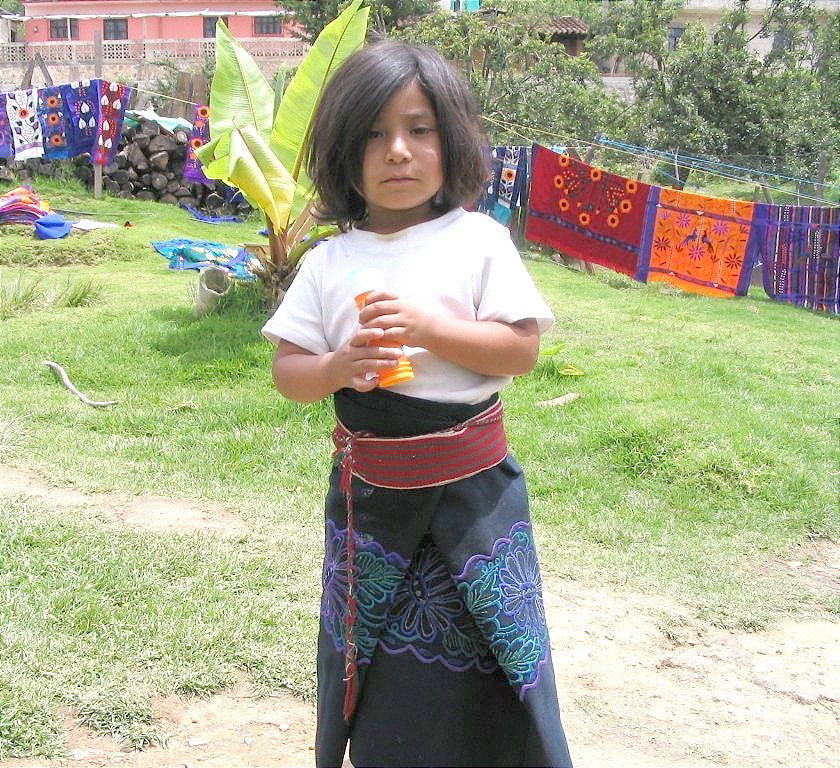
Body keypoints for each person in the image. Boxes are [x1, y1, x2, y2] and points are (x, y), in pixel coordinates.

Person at [262, 39, 573, 768]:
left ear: (451, 140)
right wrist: (341, 364)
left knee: (497, 647)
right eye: (373, 133)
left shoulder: (478, 242)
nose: (397, 151)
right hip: (371, 504)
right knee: (380, 665)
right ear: (343, 150)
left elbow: (520, 351)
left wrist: (429, 329)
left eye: (419, 130)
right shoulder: (328, 263)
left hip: (477, 498)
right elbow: (288, 372)